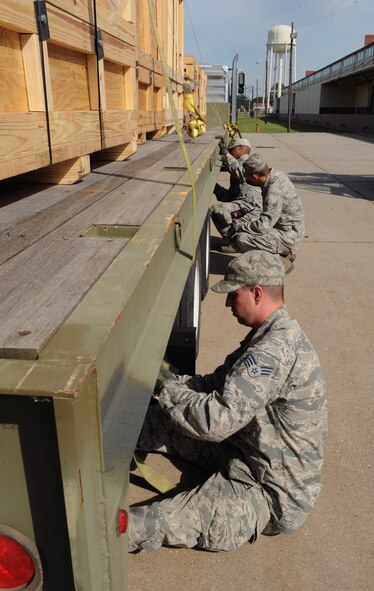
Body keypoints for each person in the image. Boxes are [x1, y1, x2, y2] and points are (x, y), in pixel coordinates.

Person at [128, 251, 327, 553]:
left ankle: (100, 534)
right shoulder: (267, 334)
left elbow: (215, 422)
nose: (227, 303)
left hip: (270, 488)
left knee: (157, 521)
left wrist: (166, 389)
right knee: (166, 423)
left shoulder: (274, 350)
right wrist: (168, 382)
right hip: (246, 448)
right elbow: (214, 384)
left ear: (257, 293)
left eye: (234, 295)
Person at [225, 153, 305, 260]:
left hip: (288, 237)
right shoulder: (276, 175)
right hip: (286, 228)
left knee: (242, 238)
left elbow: (264, 226)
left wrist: (239, 227)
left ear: (255, 176)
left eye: (248, 178)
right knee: (248, 224)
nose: (248, 181)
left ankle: (277, 261)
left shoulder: (273, 192)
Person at [211, 138, 262, 241]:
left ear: (239, 148)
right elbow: (230, 197)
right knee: (220, 211)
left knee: (217, 210)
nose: (230, 152)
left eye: (231, 150)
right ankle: (236, 239)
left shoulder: (248, 161)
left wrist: (226, 155)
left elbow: (241, 171)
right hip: (244, 207)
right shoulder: (237, 167)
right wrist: (215, 187)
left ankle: (234, 241)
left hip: (250, 209)